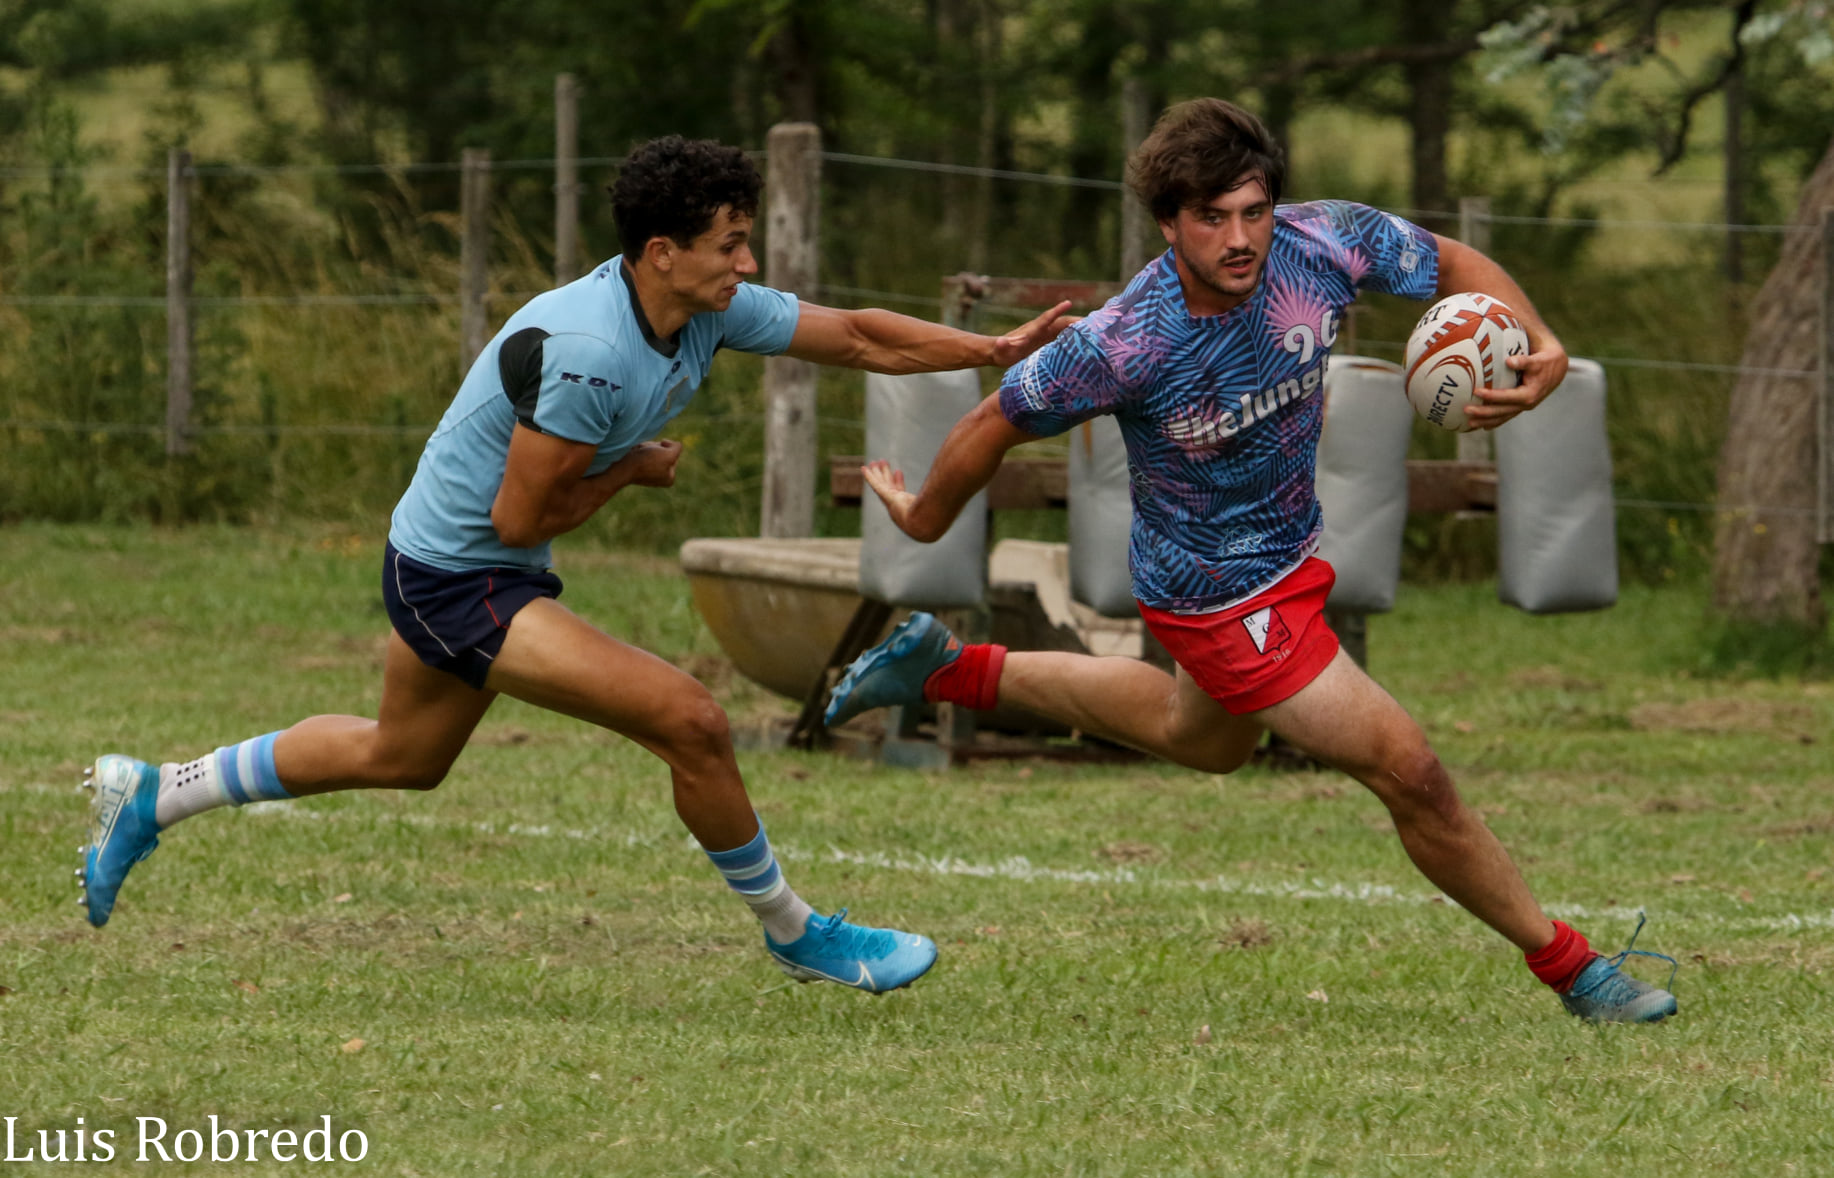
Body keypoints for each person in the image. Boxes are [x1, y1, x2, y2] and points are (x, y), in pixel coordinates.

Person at [78, 135, 1071, 995]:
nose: (747, 259)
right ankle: (797, 931)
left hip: (456, 560)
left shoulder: (705, 305)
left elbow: (853, 334)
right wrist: (630, 470)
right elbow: (517, 520)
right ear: (660, 253)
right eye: (729, 242)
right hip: (459, 576)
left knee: (402, 756)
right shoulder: (592, 348)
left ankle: (159, 790)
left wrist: (993, 345)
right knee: (692, 719)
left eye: (743, 237)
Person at [824, 99, 1678, 1022]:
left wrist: (1541, 340)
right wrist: (924, 519)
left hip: (1286, 560)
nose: (1240, 239)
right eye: (1211, 218)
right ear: (1167, 222)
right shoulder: (1126, 341)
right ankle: (1576, 970)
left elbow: (1453, 263)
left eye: (1254, 211)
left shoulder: (1325, 244)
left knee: (1206, 742)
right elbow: (993, 421)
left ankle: (947, 668)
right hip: (1216, 598)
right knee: (1409, 771)